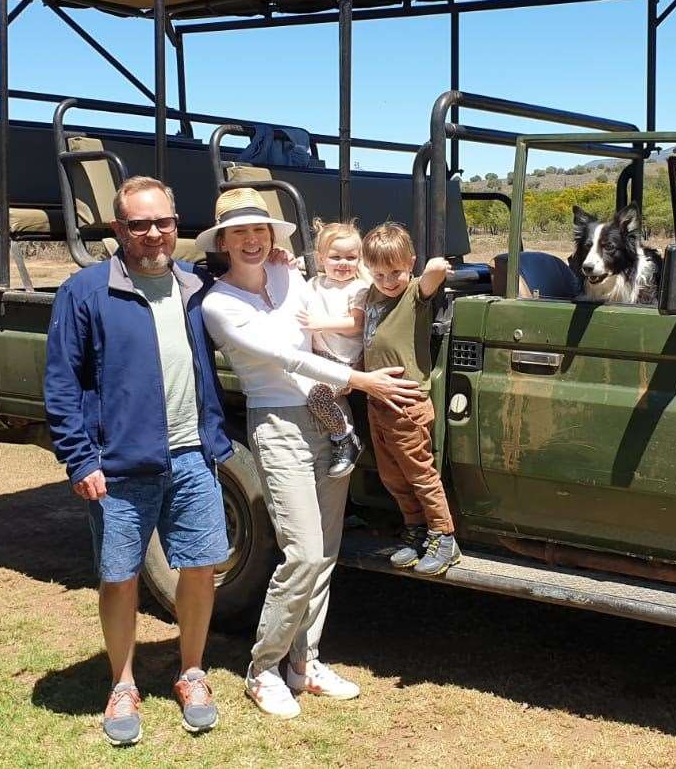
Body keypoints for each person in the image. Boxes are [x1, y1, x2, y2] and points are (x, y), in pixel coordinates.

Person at [197, 188, 422, 720]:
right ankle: (264, 669)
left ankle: (306, 661)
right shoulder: (219, 304)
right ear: (224, 241)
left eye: (261, 231)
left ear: (272, 237)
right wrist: (359, 378)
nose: (252, 241)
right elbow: (283, 357)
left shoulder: (288, 274)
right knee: (299, 552)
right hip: (280, 424)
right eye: (240, 233)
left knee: (324, 553)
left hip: (328, 417)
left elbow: (338, 293)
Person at [44, 176, 230, 743]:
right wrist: (80, 460)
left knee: (201, 567)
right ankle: (122, 683)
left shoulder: (197, 288)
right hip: (120, 465)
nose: (153, 233)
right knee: (120, 577)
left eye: (163, 223)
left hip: (194, 454)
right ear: (118, 229)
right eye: (139, 224)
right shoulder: (86, 291)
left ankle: (191, 672)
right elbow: (61, 381)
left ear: (178, 226)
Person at [359, 222, 460, 576]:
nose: (388, 280)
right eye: (379, 273)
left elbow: (432, 277)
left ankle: (443, 535)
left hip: (407, 406)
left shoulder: (414, 294)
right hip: (377, 405)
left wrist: (433, 267)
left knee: (420, 474)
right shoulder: (372, 293)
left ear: (410, 264)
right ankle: (415, 528)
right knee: (392, 476)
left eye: (396, 271)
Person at [296, 219, 371, 477]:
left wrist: (320, 324)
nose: (343, 263)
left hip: (344, 363)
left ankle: (345, 438)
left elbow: (356, 324)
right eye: (335, 256)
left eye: (351, 258)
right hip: (318, 357)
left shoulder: (358, 288)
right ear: (321, 258)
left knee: (317, 396)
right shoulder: (315, 284)